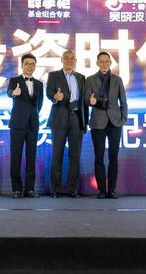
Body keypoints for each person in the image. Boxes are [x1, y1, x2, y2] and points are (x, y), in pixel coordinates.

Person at [84, 51, 127, 199]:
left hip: (115, 122)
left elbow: (123, 101)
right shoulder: (90, 80)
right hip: (98, 121)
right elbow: (86, 99)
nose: (104, 64)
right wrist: (90, 101)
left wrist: (123, 118)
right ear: (97, 63)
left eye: (106, 61)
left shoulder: (117, 80)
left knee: (114, 157)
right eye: (101, 61)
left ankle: (112, 190)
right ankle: (102, 190)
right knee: (99, 157)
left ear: (110, 63)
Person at [46, 50, 88, 198]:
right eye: (66, 58)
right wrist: (55, 97)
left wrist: (84, 122)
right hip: (59, 118)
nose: (69, 61)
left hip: (76, 118)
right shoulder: (54, 75)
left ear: (75, 61)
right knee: (57, 155)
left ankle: (73, 189)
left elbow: (83, 102)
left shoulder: (81, 78)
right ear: (61, 60)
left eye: (72, 58)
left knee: (75, 156)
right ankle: (55, 189)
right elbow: (49, 93)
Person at [7, 53, 43, 198]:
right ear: (22, 65)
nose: (30, 66)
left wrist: (33, 115)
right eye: (27, 63)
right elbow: (9, 92)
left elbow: (39, 104)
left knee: (31, 157)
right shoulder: (14, 80)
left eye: (32, 64)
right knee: (15, 156)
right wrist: (13, 93)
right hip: (18, 124)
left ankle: (29, 189)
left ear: (35, 66)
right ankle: (16, 189)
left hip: (33, 124)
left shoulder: (39, 84)